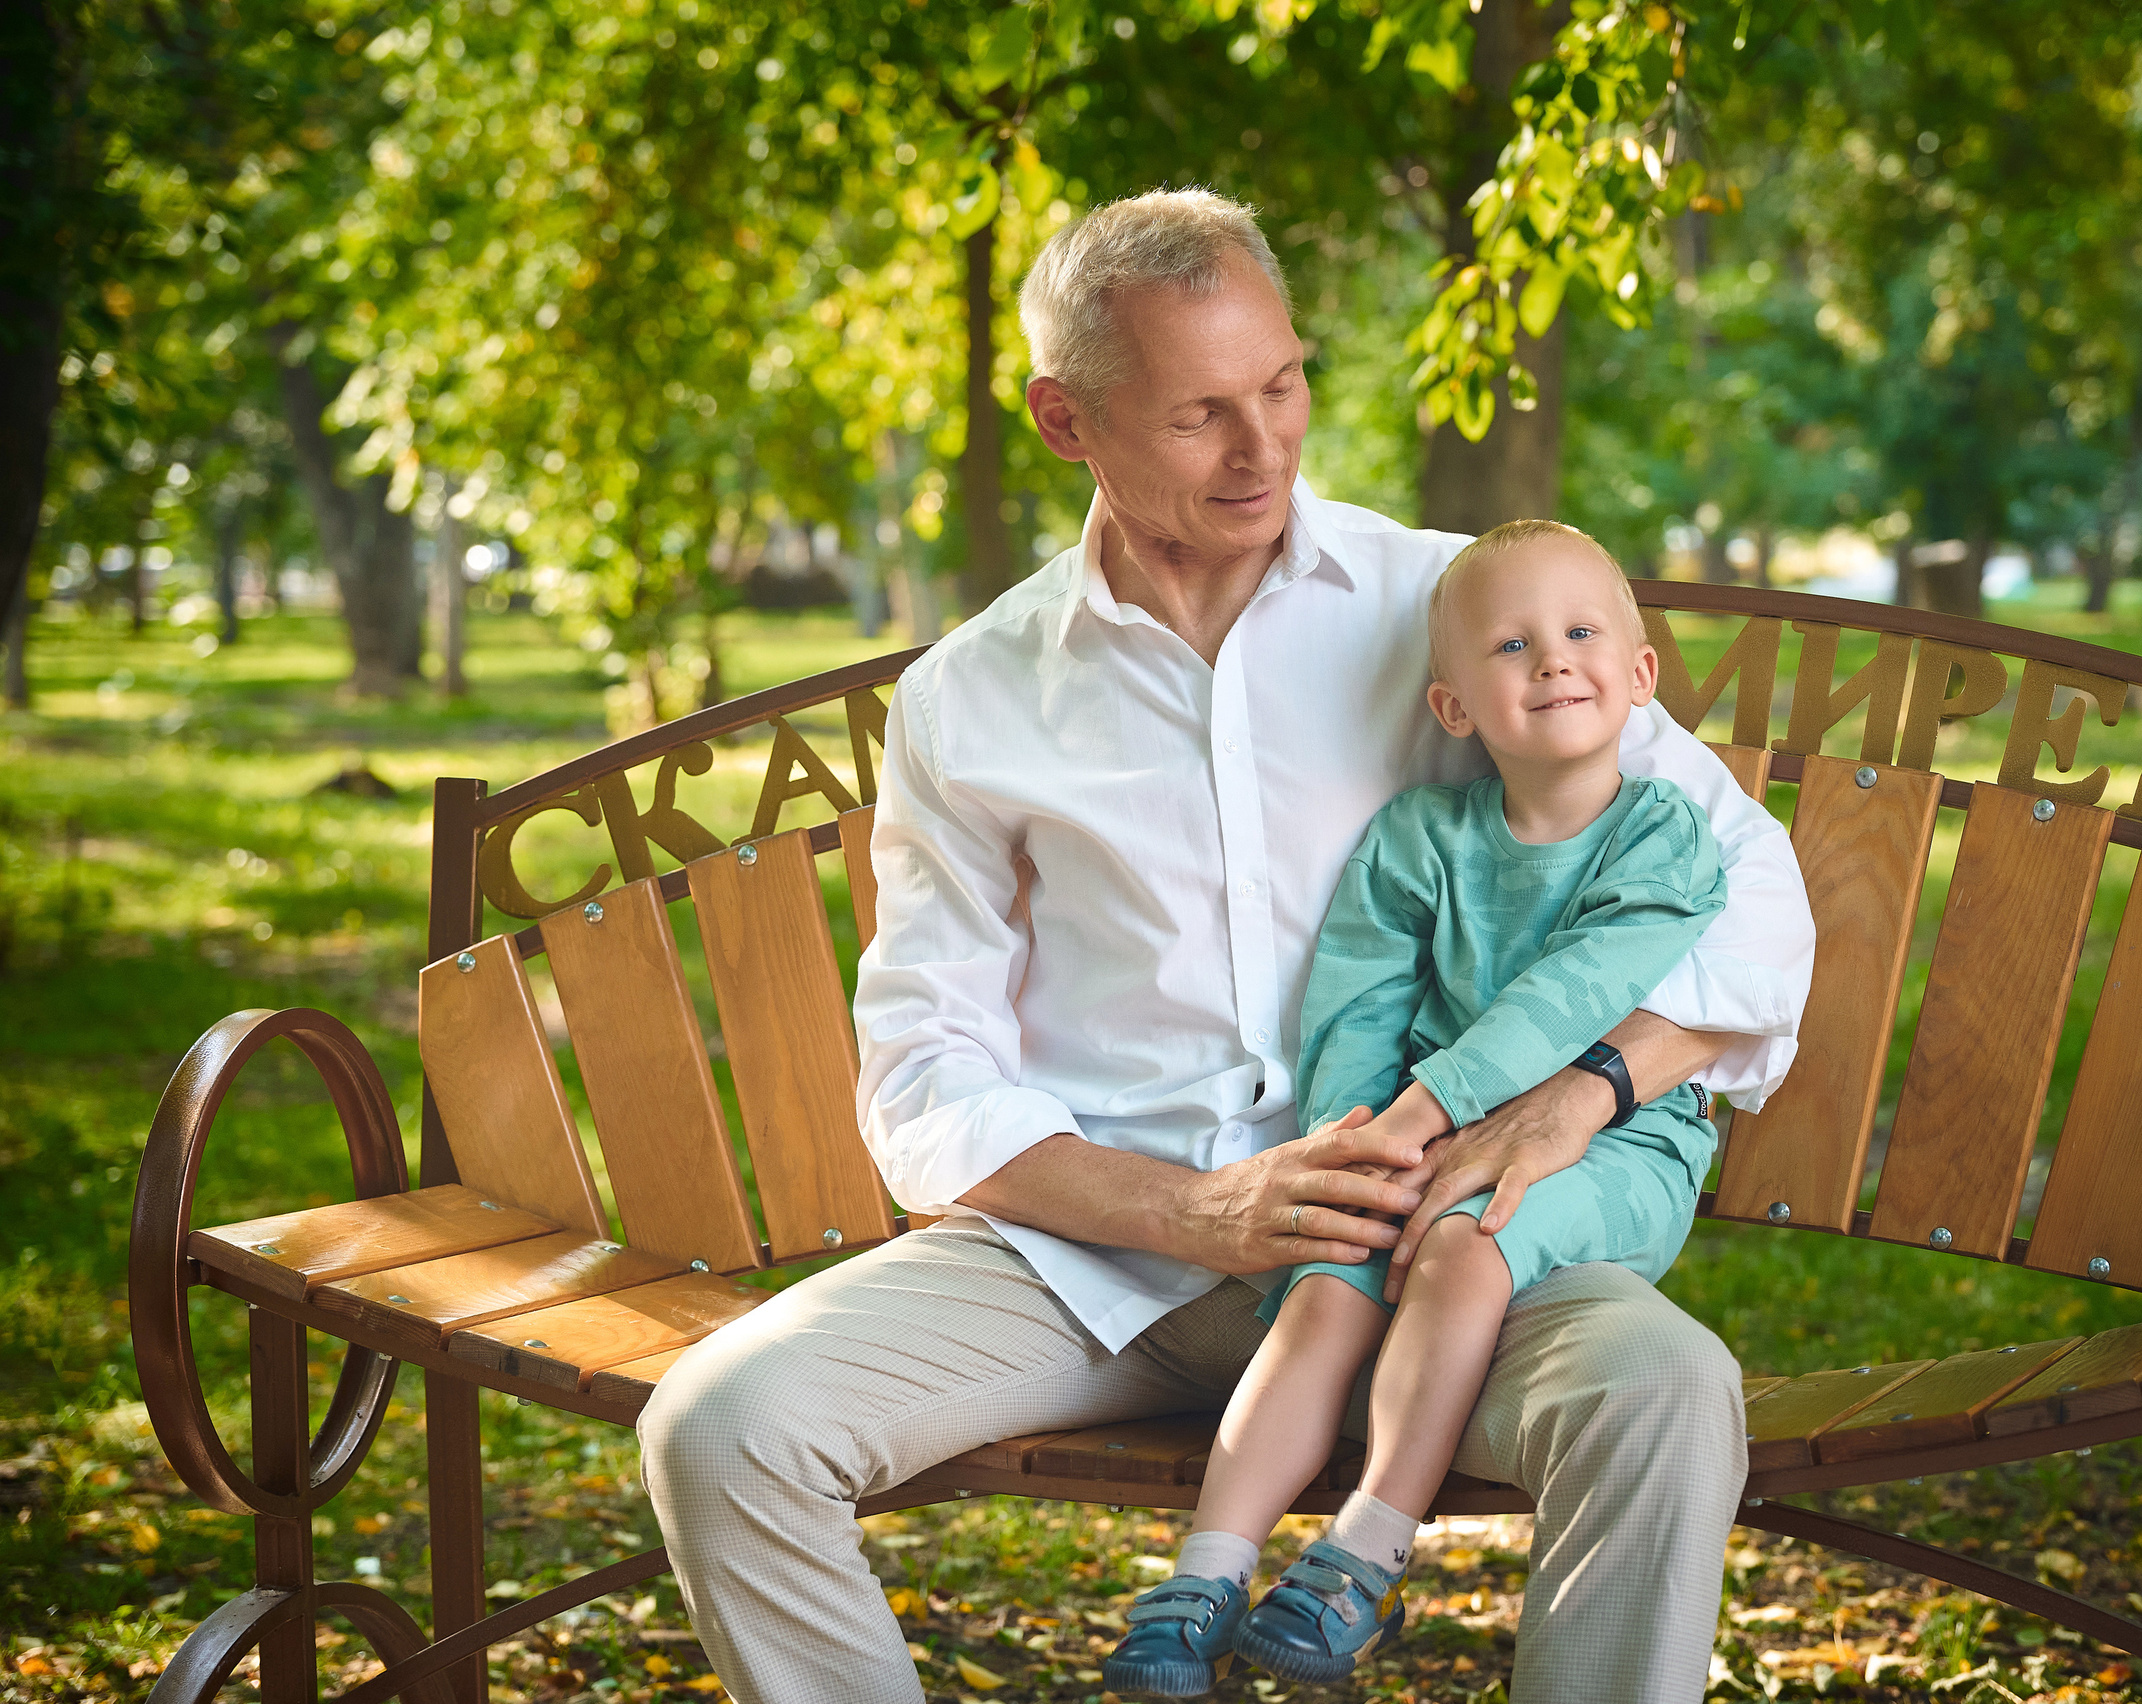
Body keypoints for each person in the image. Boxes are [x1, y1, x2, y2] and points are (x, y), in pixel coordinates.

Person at [637, 188, 1816, 1704]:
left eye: (1285, 385)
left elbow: (1749, 880)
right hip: (1100, 1263)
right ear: (1069, 423)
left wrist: (1588, 1089)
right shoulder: (972, 697)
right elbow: (926, 1074)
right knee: (723, 1428)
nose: (1266, 450)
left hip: (1434, 1249)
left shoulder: (1453, 608)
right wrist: (1194, 1211)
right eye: (1202, 415)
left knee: (1665, 1390)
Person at [1105, 520, 1736, 1697]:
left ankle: (1362, 1552)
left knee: (1461, 1239)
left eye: (1581, 633)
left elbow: (1574, 995)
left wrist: (1422, 1116)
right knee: (1329, 1273)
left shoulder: (1660, 835)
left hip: (1616, 1145)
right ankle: (1203, 1574)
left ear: (1640, 677)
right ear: (1454, 709)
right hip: (1417, 1128)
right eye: (1512, 644)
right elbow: (1355, 1008)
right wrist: (1353, 1145)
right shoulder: (1417, 840)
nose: (1552, 660)